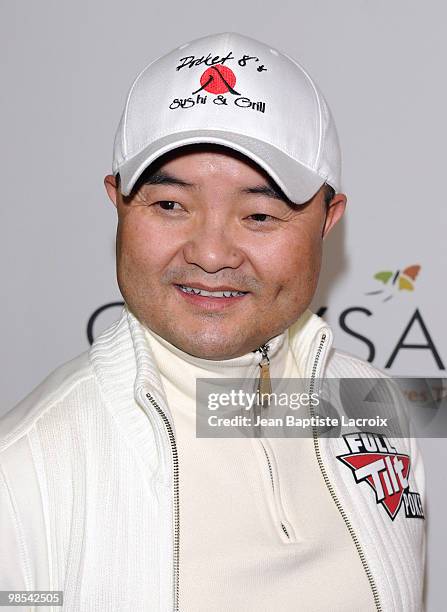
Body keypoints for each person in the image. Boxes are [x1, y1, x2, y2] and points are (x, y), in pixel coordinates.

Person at [0, 32, 425, 611]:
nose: (211, 253)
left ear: (329, 219)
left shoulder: (373, 405)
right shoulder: (23, 472)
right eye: (170, 205)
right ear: (119, 203)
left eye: (259, 213)